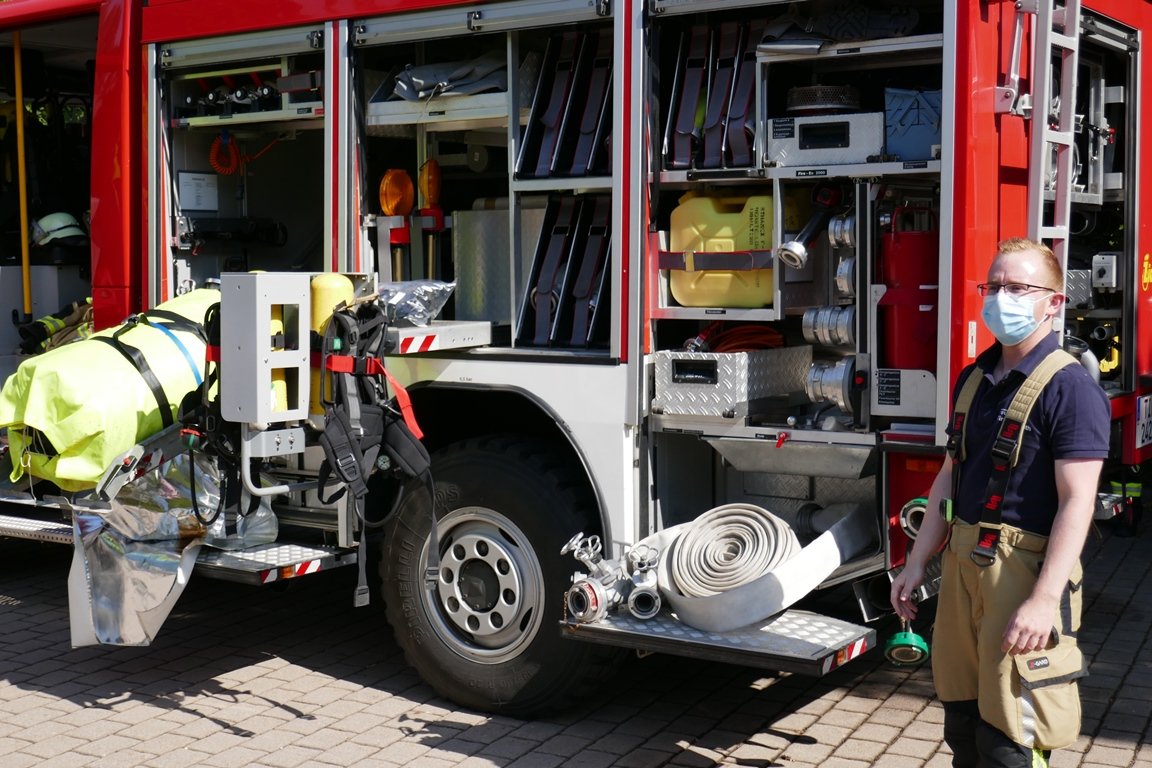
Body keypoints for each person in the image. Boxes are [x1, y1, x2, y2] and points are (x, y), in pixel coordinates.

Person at [890, 237, 1110, 768]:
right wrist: (916, 561)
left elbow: (1077, 502)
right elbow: (949, 475)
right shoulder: (975, 379)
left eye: (1018, 288)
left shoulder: (1070, 389)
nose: (1001, 298)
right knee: (963, 721)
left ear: (1054, 302)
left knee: (1012, 736)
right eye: (994, 286)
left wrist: (1042, 599)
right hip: (964, 562)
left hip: (1022, 571)